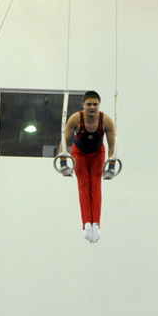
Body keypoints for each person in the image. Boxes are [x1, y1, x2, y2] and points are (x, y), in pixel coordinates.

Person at [61, 91, 116, 243]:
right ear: (83, 105)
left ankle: (96, 224)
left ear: (99, 105)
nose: (92, 107)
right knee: (84, 186)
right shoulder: (75, 118)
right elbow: (64, 140)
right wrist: (63, 163)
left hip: (98, 153)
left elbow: (112, 144)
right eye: (89, 104)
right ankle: (86, 224)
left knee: (96, 186)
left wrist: (111, 166)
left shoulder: (106, 121)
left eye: (95, 104)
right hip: (79, 153)